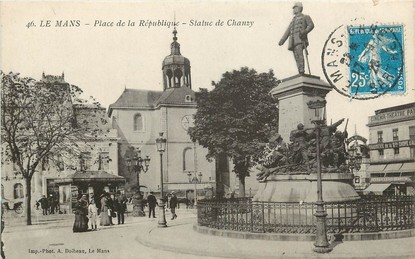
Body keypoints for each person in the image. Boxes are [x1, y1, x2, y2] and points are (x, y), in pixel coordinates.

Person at [279, 2, 314, 74]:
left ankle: (302, 70)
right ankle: (299, 70)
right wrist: (282, 40)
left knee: (300, 54)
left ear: (299, 8)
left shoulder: (305, 17)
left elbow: (311, 25)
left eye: (295, 8)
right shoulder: (293, 20)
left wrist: (305, 31)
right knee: (296, 56)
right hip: (293, 41)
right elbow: (288, 31)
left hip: (300, 39)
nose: (293, 10)